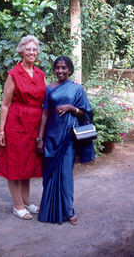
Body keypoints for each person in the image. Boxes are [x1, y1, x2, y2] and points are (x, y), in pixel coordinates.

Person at [37, 56, 95, 225]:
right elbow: (45, 114)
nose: (60, 71)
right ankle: (49, 208)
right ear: (54, 69)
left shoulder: (77, 90)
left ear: (70, 70)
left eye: (64, 68)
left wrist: (71, 108)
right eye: (57, 67)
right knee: (49, 175)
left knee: (65, 175)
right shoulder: (49, 89)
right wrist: (40, 138)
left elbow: (87, 114)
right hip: (50, 138)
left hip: (68, 139)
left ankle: (69, 210)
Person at [0, 35, 46, 220]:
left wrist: (68, 86)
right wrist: (1, 131)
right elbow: (5, 104)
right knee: (15, 165)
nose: (31, 52)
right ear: (21, 51)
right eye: (28, 49)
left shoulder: (40, 74)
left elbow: (49, 94)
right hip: (16, 124)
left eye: (34, 49)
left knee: (28, 164)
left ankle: (27, 201)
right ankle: (17, 206)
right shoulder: (14, 74)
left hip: (34, 126)